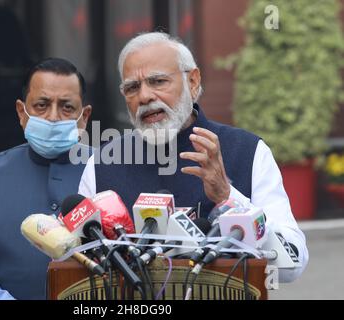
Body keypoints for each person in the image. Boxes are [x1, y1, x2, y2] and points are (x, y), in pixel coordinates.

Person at [79, 32, 308, 282]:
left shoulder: (248, 151)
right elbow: (80, 266)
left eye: (157, 81)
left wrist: (227, 196)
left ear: (193, 81)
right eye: (132, 87)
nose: (144, 96)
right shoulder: (103, 163)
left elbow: (291, 265)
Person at [0, 58, 92, 300]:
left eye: (67, 107)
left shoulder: (107, 170)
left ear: (84, 117)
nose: (53, 117)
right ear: (21, 112)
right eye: (41, 105)